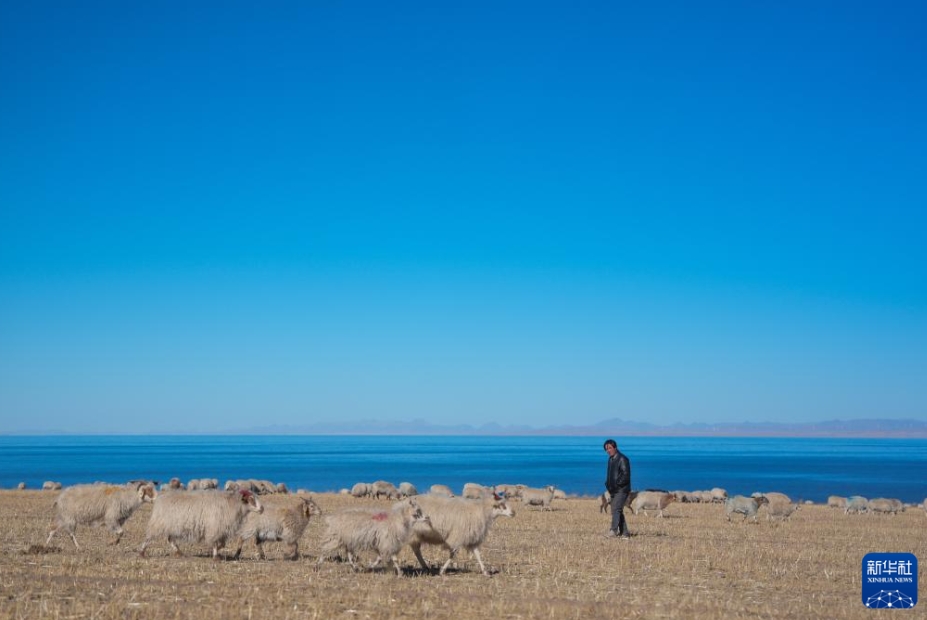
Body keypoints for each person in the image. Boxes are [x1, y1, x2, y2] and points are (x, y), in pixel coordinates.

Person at [603, 438, 631, 539]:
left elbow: (625, 475)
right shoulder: (610, 459)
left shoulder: (623, 459)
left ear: (615, 447)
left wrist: (616, 484)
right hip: (613, 490)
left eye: (610, 448)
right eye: (606, 449)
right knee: (618, 511)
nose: (608, 450)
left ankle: (613, 531)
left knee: (616, 509)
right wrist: (608, 484)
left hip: (622, 489)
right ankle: (625, 533)